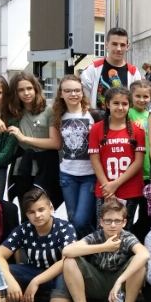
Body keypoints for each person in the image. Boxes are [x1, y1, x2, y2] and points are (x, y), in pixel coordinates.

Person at [0, 188, 76, 302]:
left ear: (51, 208)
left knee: (65, 275)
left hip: (56, 275)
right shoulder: (24, 229)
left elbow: (66, 260)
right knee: (3, 272)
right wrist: (11, 281)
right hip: (32, 271)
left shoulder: (65, 228)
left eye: (41, 210)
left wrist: (36, 281)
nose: (37, 215)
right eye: (31, 212)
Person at [62, 198, 150, 302]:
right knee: (69, 261)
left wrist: (119, 281)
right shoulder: (96, 236)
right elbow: (67, 251)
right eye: (108, 221)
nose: (113, 225)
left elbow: (145, 254)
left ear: (124, 222)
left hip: (120, 287)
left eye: (117, 221)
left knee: (140, 264)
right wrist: (104, 247)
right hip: (96, 282)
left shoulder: (127, 237)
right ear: (101, 222)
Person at [5, 72, 63, 212]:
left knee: (42, 208)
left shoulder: (48, 110)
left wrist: (24, 138)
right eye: (21, 90)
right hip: (23, 166)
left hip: (45, 166)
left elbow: (55, 143)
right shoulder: (13, 111)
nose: (26, 93)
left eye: (29, 88)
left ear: (36, 88)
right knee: (26, 208)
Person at [89, 87, 146, 225]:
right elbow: (95, 160)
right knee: (104, 228)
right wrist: (107, 187)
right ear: (107, 104)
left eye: (124, 104)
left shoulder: (138, 131)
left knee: (125, 229)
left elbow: (138, 162)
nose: (120, 107)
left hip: (130, 189)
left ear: (129, 105)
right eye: (116, 103)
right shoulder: (96, 129)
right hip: (105, 189)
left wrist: (116, 184)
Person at [52, 75, 97, 237]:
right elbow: (56, 143)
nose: (73, 94)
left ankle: (92, 245)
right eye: (68, 91)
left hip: (90, 175)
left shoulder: (93, 115)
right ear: (61, 94)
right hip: (67, 175)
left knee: (80, 220)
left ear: (82, 93)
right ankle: (84, 249)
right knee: (72, 219)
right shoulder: (58, 116)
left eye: (77, 90)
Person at [81, 27, 142, 111]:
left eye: (122, 45)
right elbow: (84, 100)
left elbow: (136, 101)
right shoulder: (93, 68)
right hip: (97, 118)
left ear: (127, 46)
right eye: (114, 44)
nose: (118, 49)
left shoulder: (133, 72)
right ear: (106, 45)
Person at [128, 79, 151, 242]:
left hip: (147, 172)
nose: (142, 100)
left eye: (146, 96)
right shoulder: (128, 113)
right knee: (129, 213)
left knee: (146, 214)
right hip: (132, 173)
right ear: (131, 96)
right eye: (138, 96)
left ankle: (139, 242)